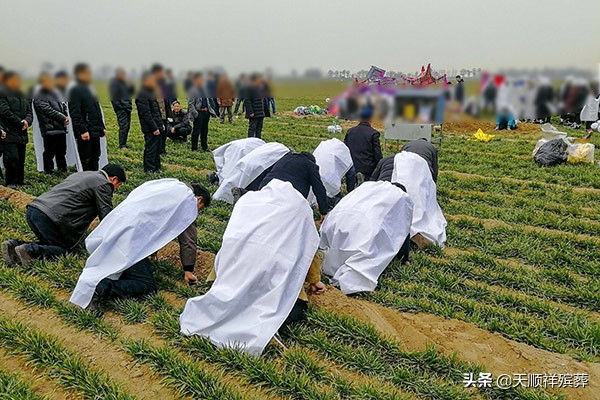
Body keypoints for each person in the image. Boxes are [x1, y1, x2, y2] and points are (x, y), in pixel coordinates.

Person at [180, 179, 323, 356]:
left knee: (226, 295)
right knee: (291, 308)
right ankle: (264, 329)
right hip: (269, 286)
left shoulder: (250, 204)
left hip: (228, 280)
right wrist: (315, 281)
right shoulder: (299, 212)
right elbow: (309, 249)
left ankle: (229, 312)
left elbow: (230, 239)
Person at [69, 181, 210, 314]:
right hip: (131, 241)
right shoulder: (187, 201)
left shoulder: (167, 185)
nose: (196, 212)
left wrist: (152, 251)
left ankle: (102, 279)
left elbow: (156, 220)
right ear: (198, 199)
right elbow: (188, 241)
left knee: (115, 265)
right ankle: (101, 287)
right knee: (147, 285)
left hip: (116, 227)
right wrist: (188, 270)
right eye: (199, 208)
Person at [2, 164, 126, 266]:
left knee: (49, 245)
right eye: (118, 186)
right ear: (113, 179)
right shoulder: (104, 183)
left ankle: (14, 245)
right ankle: (29, 250)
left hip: (34, 209)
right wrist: (118, 235)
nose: (115, 190)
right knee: (63, 250)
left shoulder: (82, 174)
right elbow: (106, 213)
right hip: (51, 217)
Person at [320, 181, 413, 294]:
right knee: (365, 247)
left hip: (337, 223)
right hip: (362, 230)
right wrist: (404, 258)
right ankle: (349, 278)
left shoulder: (369, 189)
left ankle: (329, 266)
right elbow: (402, 231)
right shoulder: (400, 198)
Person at [259, 152, 330, 219]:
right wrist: (323, 211)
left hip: (267, 186)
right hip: (288, 194)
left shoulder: (285, 158)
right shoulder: (311, 165)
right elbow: (319, 189)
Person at [68, 63, 105, 171]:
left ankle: (94, 178)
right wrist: (82, 130)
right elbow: (75, 113)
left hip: (94, 130)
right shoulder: (75, 90)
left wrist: (101, 128)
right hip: (86, 131)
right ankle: (86, 180)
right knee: (86, 158)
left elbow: (96, 110)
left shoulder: (89, 89)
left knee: (96, 156)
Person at [0, 71, 33, 187]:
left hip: (22, 132)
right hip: (9, 131)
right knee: (12, 158)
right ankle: (11, 182)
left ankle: (20, 182)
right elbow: (4, 112)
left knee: (21, 159)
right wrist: (20, 123)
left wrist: (27, 121)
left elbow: (30, 111)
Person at [33, 72, 69, 174]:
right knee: (49, 151)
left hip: (60, 127)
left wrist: (65, 116)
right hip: (50, 128)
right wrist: (62, 118)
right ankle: (48, 171)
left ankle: (63, 169)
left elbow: (62, 106)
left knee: (61, 151)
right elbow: (47, 110)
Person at [343, 106, 382, 186]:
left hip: (351, 167)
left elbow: (344, 150)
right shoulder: (373, 133)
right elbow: (377, 154)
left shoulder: (350, 132)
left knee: (351, 191)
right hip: (368, 169)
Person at [136, 72, 164, 173]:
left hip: (156, 125)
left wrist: (160, 125)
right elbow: (146, 114)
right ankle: (149, 168)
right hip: (150, 128)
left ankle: (156, 166)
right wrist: (154, 128)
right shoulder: (142, 94)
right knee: (151, 148)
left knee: (156, 148)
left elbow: (156, 111)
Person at [109, 68, 134, 149]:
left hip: (127, 107)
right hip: (122, 109)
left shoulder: (124, 83)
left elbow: (131, 93)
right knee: (123, 126)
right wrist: (120, 108)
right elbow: (114, 98)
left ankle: (124, 143)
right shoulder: (114, 84)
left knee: (127, 127)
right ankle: (122, 145)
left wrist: (131, 86)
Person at [188, 72, 212, 151]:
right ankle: (194, 147)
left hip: (206, 113)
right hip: (199, 113)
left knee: (205, 131)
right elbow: (190, 104)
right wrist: (196, 114)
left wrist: (209, 110)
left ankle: (204, 146)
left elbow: (207, 101)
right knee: (196, 131)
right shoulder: (192, 90)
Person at [151, 64, 169, 154]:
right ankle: (158, 150)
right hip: (157, 113)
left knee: (164, 132)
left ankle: (162, 149)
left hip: (164, 112)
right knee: (159, 132)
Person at [245, 73, 269, 138]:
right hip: (254, 113)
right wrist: (251, 112)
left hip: (261, 112)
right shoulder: (249, 88)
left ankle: (258, 140)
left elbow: (264, 100)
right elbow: (247, 101)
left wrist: (265, 111)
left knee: (259, 128)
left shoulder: (261, 88)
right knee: (252, 127)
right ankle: (250, 140)